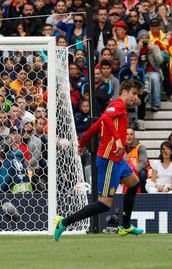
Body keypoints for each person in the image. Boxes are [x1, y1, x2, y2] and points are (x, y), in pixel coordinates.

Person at [54, 80, 144, 240]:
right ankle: (64, 222)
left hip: (116, 159)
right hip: (109, 160)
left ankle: (125, 226)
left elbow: (98, 124)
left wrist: (83, 142)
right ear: (124, 91)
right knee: (104, 204)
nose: (135, 98)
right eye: (134, 93)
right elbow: (106, 118)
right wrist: (117, 140)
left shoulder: (118, 107)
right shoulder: (119, 105)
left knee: (134, 184)